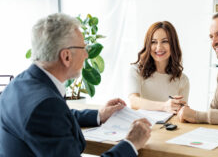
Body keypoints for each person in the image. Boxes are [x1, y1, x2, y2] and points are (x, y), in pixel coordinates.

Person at [0, 13, 151, 157]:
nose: (86, 55)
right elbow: (50, 115)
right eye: (83, 48)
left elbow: (57, 118)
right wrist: (130, 143)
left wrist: (99, 115)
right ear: (66, 56)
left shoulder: (20, 83)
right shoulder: (46, 105)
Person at [127, 21, 189, 114]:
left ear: (173, 44)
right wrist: (164, 106)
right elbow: (133, 102)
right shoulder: (136, 71)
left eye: (165, 41)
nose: (159, 47)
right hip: (141, 126)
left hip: (166, 127)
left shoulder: (182, 80)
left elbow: (180, 113)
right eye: (153, 42)